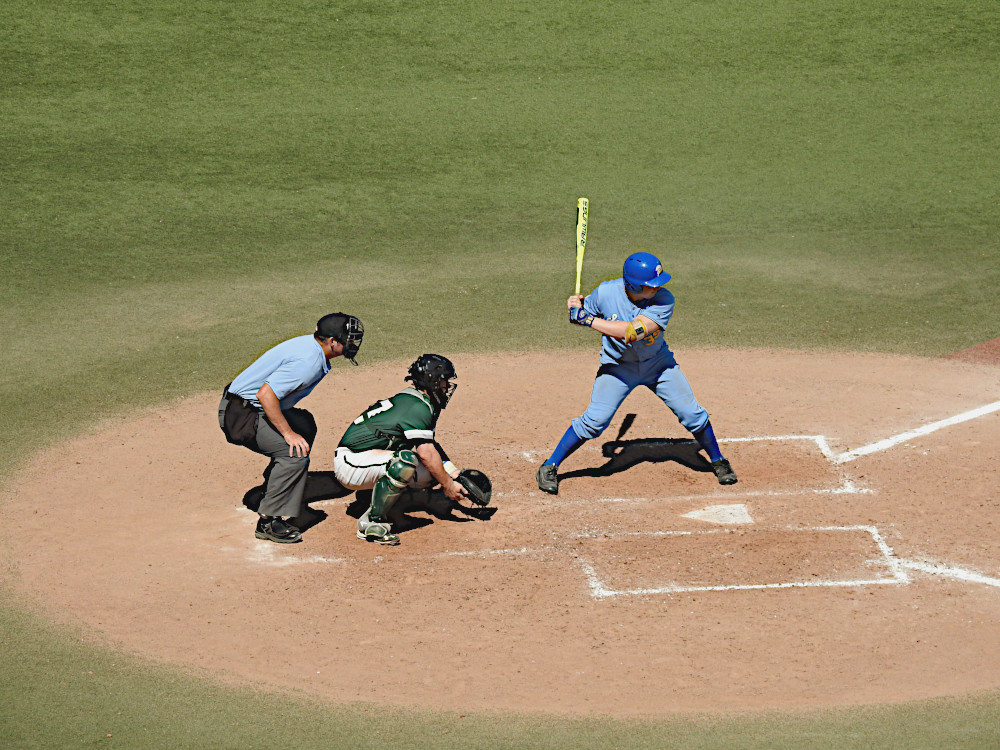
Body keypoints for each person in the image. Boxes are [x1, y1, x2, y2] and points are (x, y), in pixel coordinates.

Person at [536, 251, 737, 495]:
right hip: (618, 367)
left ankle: (718, 460)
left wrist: (587, 320)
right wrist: (575, 308)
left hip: (658, 365)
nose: (657, 287)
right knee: (595, 421)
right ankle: (550, 466)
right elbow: (580, 316)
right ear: (633, 284)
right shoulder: (605, 292)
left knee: (691, 413)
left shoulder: (664, 299)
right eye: (651, 284)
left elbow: (631, 332)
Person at [219, 313, 364, 543]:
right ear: (332, 341)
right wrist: (288, 434)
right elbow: (266, 395)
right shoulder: (308, 362)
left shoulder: (312, 346)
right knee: (294, 454)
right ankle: (268, 522)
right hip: (242, 416)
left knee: (304, 424)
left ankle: (274, 487)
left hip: (244, 406)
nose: (352, 344)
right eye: (347, 339)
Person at [334, 353, 471, 546]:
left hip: (372, 458)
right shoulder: (417, 407)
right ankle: (372, 523)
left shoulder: (423, 402)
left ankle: (370, 499)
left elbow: (431, 447)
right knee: (403, 463)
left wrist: (453, 473)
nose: (447, 386)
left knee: (434, 472)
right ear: (431, 381)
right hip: (351, 462)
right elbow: (426, 453)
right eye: (444, 381)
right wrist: (448, 485)